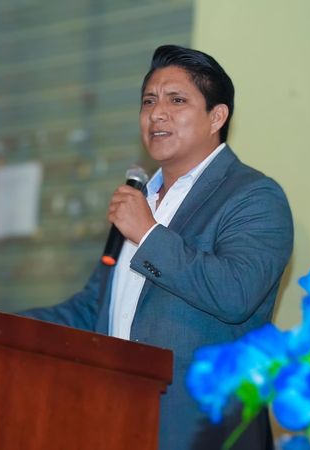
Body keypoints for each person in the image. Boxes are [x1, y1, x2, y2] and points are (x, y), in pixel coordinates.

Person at [21, 45, 294, 450]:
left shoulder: (253, 197)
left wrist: (148, 234)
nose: (157, 114)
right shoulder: (140, 199)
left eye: (176, 100)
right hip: (118, 422)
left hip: (204, 431)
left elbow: (236, 293)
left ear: (217, 117)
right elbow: (93, 309)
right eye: (149, 101)